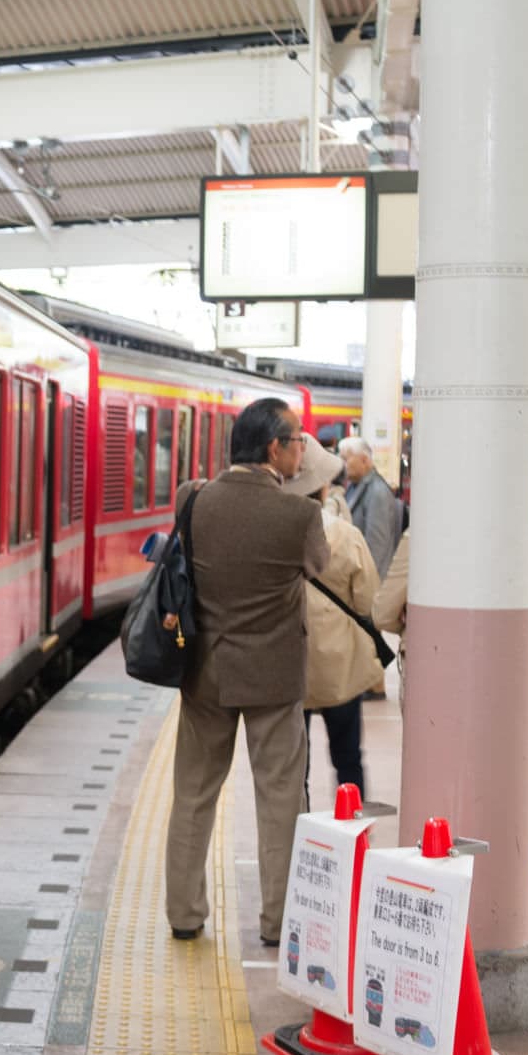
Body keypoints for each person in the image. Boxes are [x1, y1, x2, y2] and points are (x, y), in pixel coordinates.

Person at [166, 398, 328, 947]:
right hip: (274, 680)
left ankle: (185, 914)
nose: (304, 449)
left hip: (205, 672)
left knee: (192, 794)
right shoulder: (300, 516)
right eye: (299, 440)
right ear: (274, 448)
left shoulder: (193, 499)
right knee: (280, 800)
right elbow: (319, 565)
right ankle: (277, 921)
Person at [281, 436, 386, 809]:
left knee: (297, 765)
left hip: (292, 666)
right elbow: (367, 600)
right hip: (341, 668)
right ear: (323, 485)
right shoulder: (344, 534)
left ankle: (300, 839)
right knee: (348, 758)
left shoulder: (275, 533)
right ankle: (352, 831)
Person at [337, 436, 401, 578]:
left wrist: (363, 580)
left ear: (364, 460)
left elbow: (376, 545)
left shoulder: (378, 492)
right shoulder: (354, 486)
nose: (342, 464)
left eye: (345, 459)